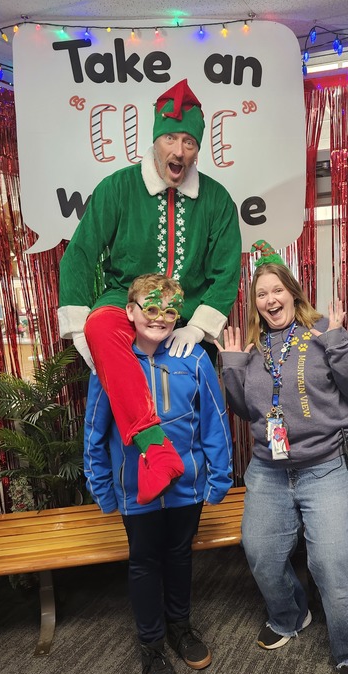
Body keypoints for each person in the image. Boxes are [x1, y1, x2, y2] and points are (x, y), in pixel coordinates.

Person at [59, 78, 241, 505]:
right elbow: (81, 254)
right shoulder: (117, 187)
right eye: (171, 139)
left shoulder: (217, 201)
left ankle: (196, 486)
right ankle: (155, 451)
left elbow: (227, 271)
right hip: (124, 301)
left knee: (197, 402)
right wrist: (81, 329)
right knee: (100, 328)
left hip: (185, 315)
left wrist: (197, 329)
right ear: (155, 140)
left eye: (190, 142)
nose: (180, 151)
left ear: (199, 149)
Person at [216, 241, 348, 674]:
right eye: (261, 294)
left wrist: (339, 341)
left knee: (331, 559)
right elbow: (246, 411)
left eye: (276, 290)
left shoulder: (324, 330)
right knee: (260, 551)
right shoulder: (249, 346)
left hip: (329, 464)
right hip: (270, 468)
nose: (270, 300)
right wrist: (231, 366)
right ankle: (290, 615)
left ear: (292, 290)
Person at [84, 273, 233, 674]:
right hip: (137, 491)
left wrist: (219, 476)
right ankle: (150, 645)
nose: (161, 317)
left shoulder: (194, 357)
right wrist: (101, 485)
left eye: (170, 309)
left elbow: (215, 421)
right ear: (130, 311)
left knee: (180, 555)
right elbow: (95, 429)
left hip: (186, 484)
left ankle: (180, 627)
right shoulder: (111, 362)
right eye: (150, 307)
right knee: (145, 562)